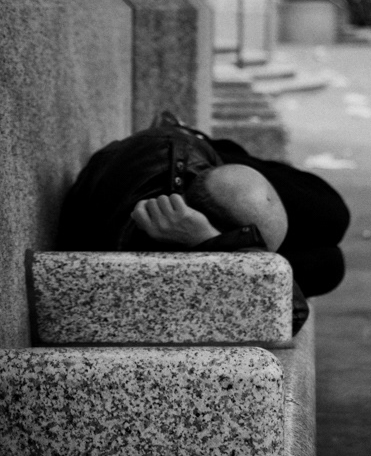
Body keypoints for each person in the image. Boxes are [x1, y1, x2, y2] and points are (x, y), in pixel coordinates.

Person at [55, 112, 350, 333]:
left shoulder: (191, 169)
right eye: (255, 252)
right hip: (159, 162)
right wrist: (207, 240)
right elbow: (289, 314)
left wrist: (219, 243)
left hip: (182, 150)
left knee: (334, 215)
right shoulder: (152, 257)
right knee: (329, 266)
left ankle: (207, 143)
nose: (261, 258)